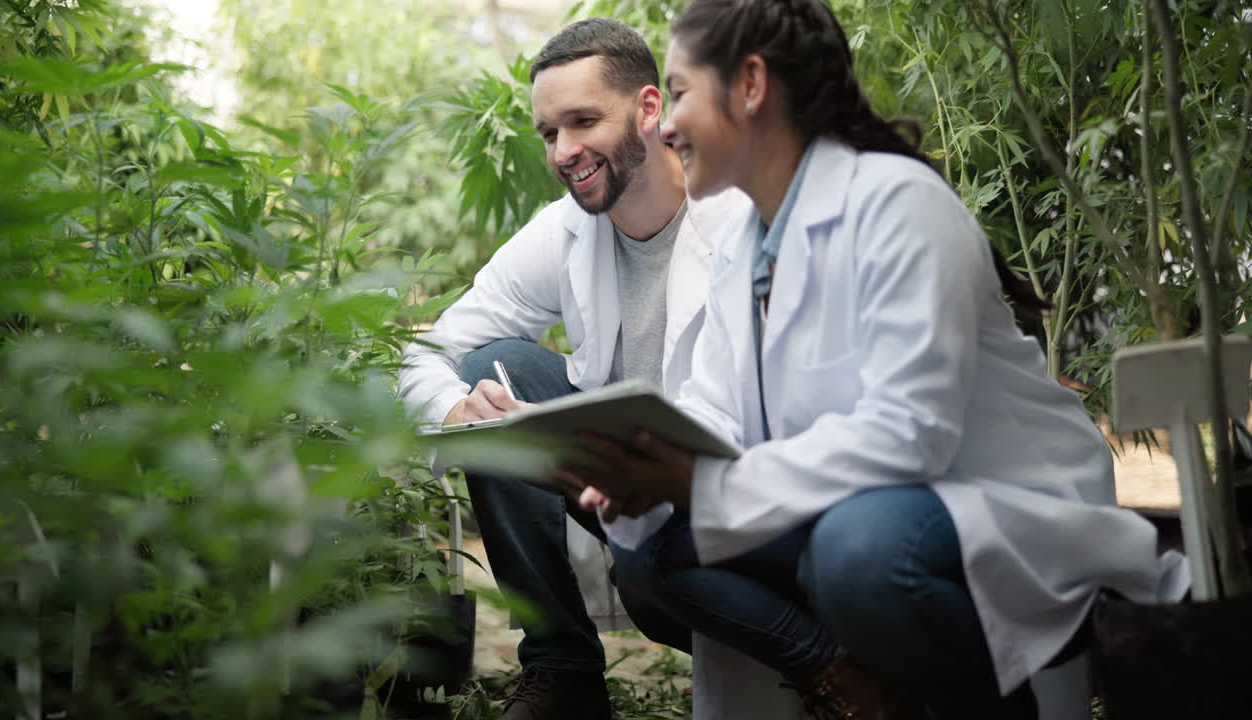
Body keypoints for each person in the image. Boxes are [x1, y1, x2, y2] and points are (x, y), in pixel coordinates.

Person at [560, 1, 1189, 718]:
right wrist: (640, 467)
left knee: (859, 553)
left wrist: (705, 482)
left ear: (752, 85)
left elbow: (911, 434)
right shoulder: (743, 246)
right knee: (663, 548)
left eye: (678, 93)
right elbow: (717, 404)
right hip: (864, 508)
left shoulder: (897, 204)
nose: (667, 125)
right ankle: (859, 680)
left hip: (999, 508)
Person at [397, 17, 750, 720]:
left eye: (583, 121)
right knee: (495, 371)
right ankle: (562, 669)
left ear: (651, 109)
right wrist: (454, 411)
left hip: (732, 489)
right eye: (549, 132)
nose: (564, 151)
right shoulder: (564, 230)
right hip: (618, 482)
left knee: (658, 584)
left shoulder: (741, 214)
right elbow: (431, 352)